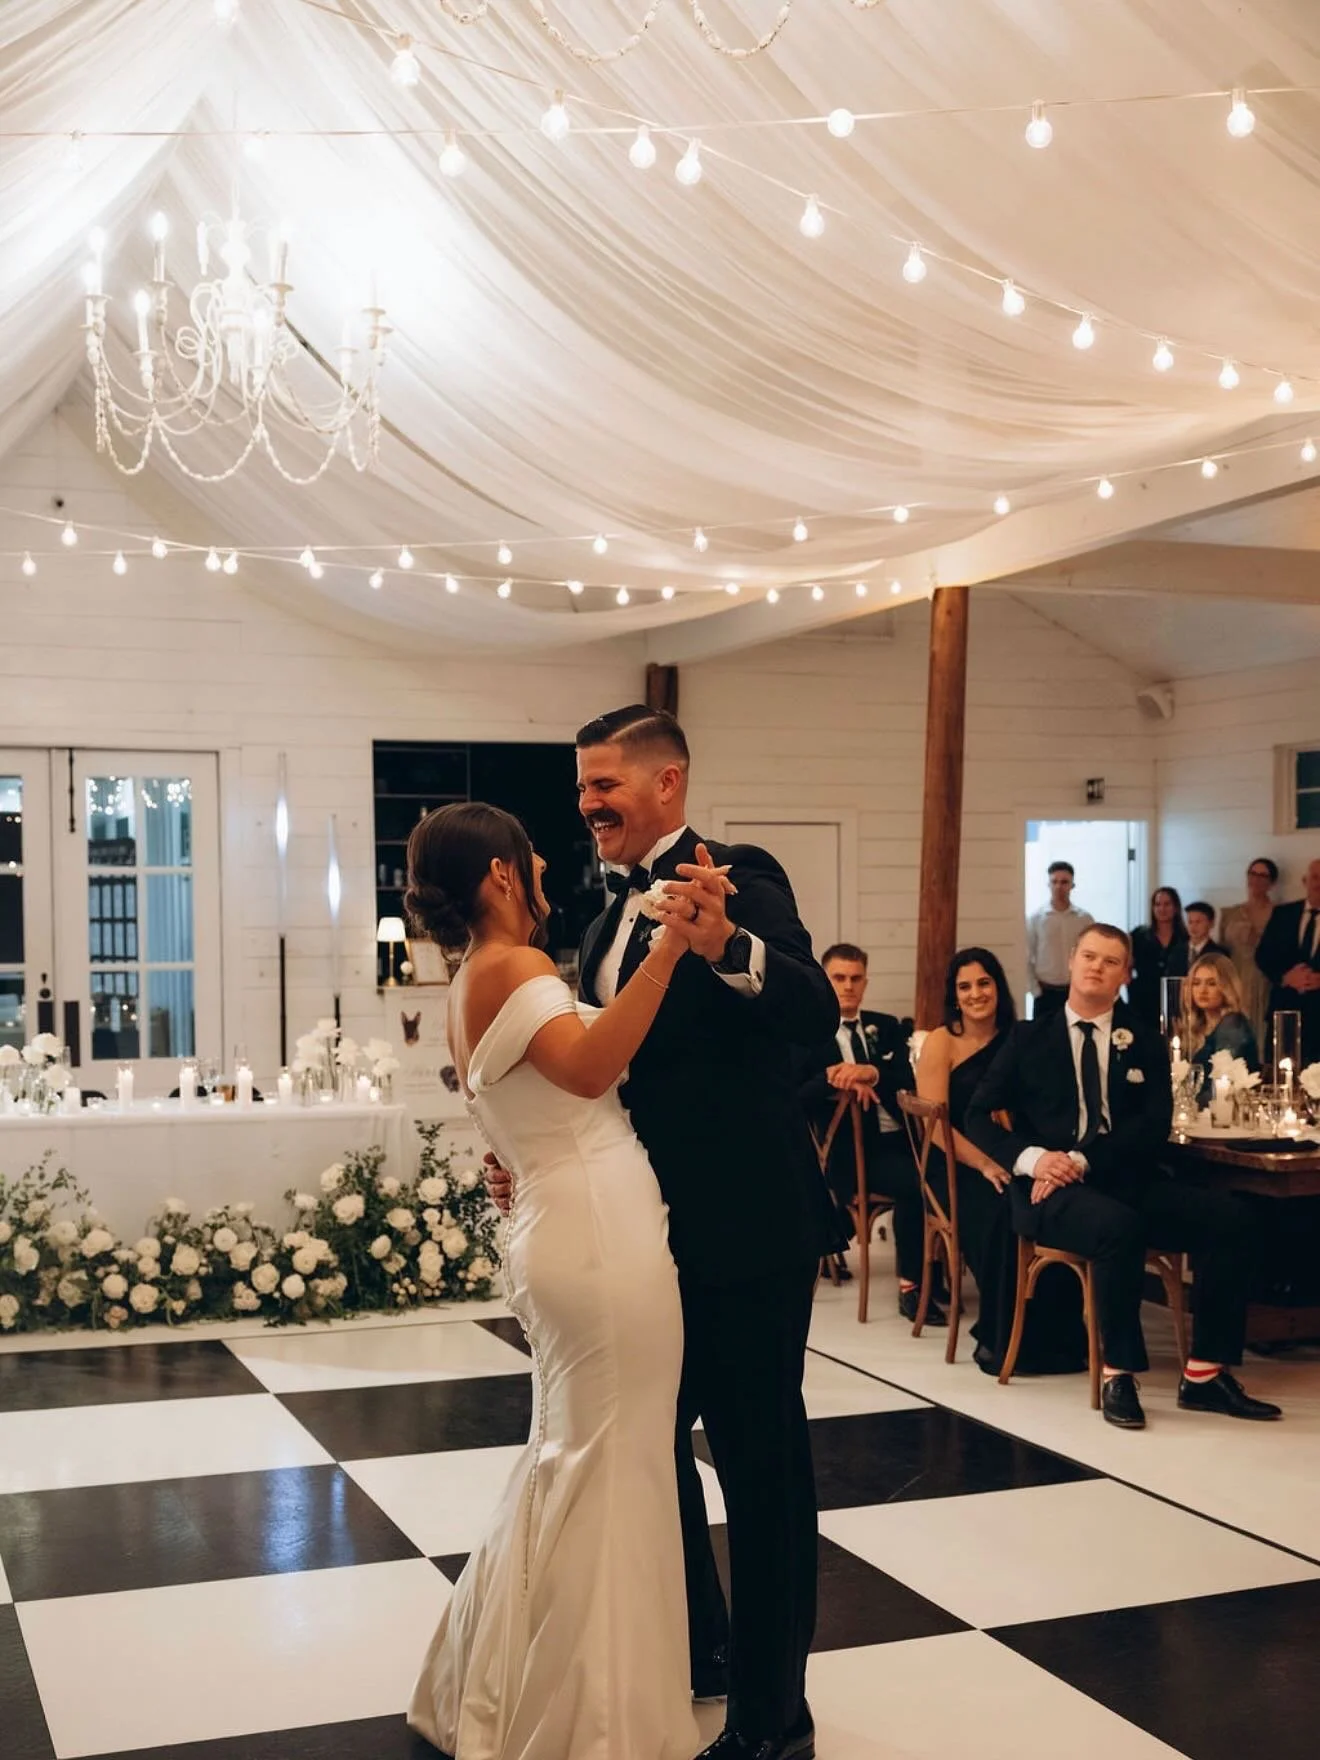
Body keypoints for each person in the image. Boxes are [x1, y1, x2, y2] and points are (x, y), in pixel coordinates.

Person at [488, 706, 836, 1760]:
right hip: (641, 1236)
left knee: (760, 1467)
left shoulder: (741, 876)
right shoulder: (600, 922)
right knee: (645, 1442)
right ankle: (706, 1644)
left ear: (668, 783)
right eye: (582, 786)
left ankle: (775, 1718)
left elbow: (812, 1010)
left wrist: (724, 942)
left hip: (747, 1225)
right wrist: (534, 1151)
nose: (588, 803)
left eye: (606, 784)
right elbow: (604, 1071)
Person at [403, 801, 707, 1760]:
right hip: (596, 1233)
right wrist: (669, 947)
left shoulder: (468, 978)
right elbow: (587, 1069)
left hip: (556, 1222)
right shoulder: (517, 965)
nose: (542, 868)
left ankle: (513, 1687)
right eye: (530, 857)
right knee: (613, 1465)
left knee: (574, 1455)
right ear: (499, 874)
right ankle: (593, 1722)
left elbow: (518, 1107)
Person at [965, 924, 1281, 1431]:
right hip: (1049, 1191)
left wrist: (1082, 1160)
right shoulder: (1028, 1037)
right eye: (1090, 956)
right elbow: (977, 1114)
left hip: (1121, 1175)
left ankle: (1205, 1373)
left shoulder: (1145, 1038)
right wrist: (1035, 1159)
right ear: (1072, 961)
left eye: (1111, 961)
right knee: (1118, 1227)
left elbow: (1153, 1125)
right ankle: (1120, 1373)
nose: (1097, 967)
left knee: (1233, 1219)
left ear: (1125, 975)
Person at [916, 947, 1087, 1377]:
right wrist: (984, 1164)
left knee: (1051, 1206)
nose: (976, 994)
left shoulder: (1022, 1037)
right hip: (955, 1163)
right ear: (954, 996)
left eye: (984, 983)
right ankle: (1003, 1338)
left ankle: (1059, 1338)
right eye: (965, 987)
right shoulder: (942, 1041)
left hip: (1014, 1156)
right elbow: (935, 1127)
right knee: (1001, 1214)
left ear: (998, 987)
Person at [797, 943, 945, 1325]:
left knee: (947, 1174)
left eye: (856, 978)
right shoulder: (807, 1034)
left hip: (903, 1138)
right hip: (850, 1153)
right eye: (839, 978)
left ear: (865, 982)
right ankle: (912, 1287)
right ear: (824, 980)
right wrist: (833, 1077)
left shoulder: (887, 1025)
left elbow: (911, 1077)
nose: (848, 986)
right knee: (915, 1184)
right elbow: (795, 1095)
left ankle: (936, 1273)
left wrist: (871, 1072)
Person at [1256, 858, 1320, 1066]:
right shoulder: (1283, 913)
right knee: (1278, 1074)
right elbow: (1263, 955)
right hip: (1284, 1011)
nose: (1319, 883)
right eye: (1315, 877)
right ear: (1305, 881)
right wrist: (1285, 977)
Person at [1220, 858, 1278, 1048]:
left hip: (1265, 982)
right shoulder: (1230, 913)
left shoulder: (1279, 913)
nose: (1256, 879)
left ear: (1271, 882)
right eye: (1253, 874)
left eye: (1263, 875)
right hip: (1235, 981)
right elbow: (1222, 950)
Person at [1026, 860, 1094, 1018]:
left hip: (1075, 991)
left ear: (1072, 885)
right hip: (1045, 993)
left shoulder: (1084, 919)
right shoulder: (1036, 919)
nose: (1058, 886)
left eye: (1064, 882)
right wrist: (1035, 991)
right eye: (1054, 882)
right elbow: (1026, 956)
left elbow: (1092, 953)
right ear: (1048, 884)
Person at [1182, 953, 1260, 1075]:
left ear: (1226, 987)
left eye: (1211, 983)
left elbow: (1224, 1076)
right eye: (1196, 983)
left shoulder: (1233, 1024)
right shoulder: (1199, 1026)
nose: (1202, 990)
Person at [1128, 886, 1189, 1032]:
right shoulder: (1139, 935)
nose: (1162, 909)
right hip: (1143, 999)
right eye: (1157, 904)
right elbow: (1127, 963)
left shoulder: (1185, 938)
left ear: (1175, 907)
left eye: (1167, 904)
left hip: (1176, 1000)